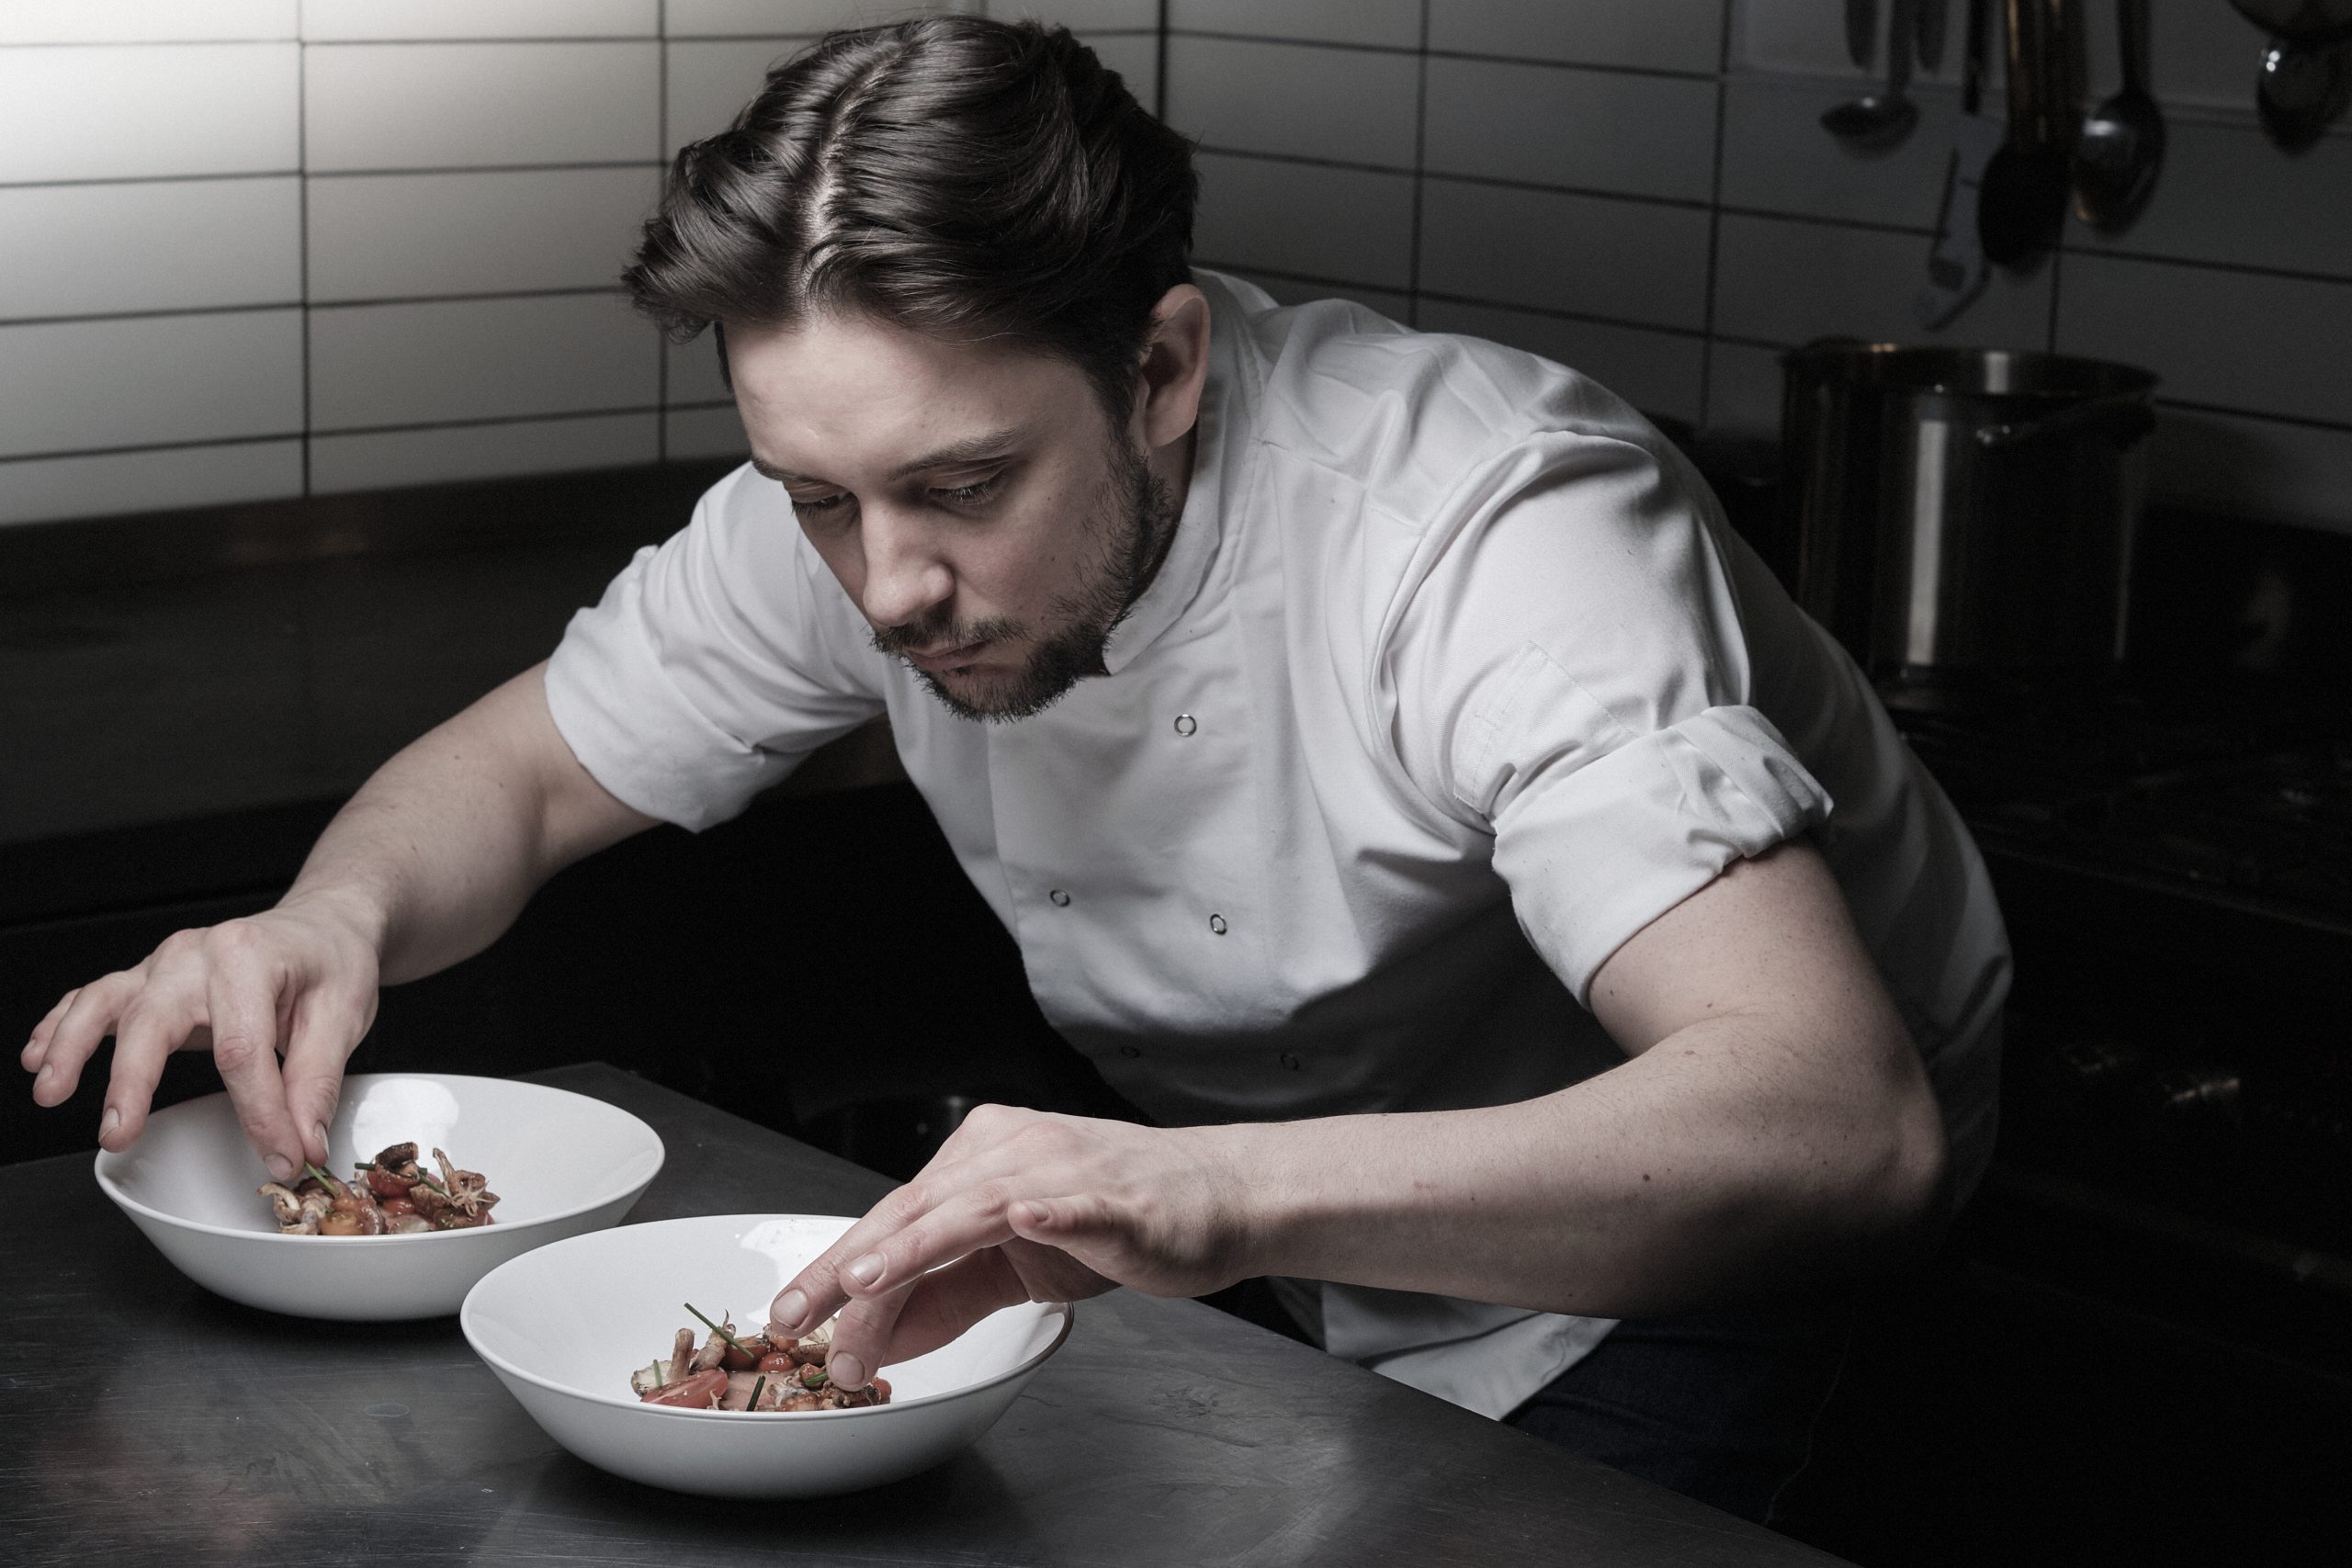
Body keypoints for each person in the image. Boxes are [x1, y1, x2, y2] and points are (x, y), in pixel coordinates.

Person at [20, 17, 2007, 1523]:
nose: (884, 586)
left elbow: (1836, 1129)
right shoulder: (865, 501)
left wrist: (1205, 1194)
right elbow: (524, 774)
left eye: (960, 488)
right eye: (813, 495)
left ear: (1157, 370)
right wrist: (328, 912)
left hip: (1685, 1250)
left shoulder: (1492, 530)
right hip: (1283, 1222)